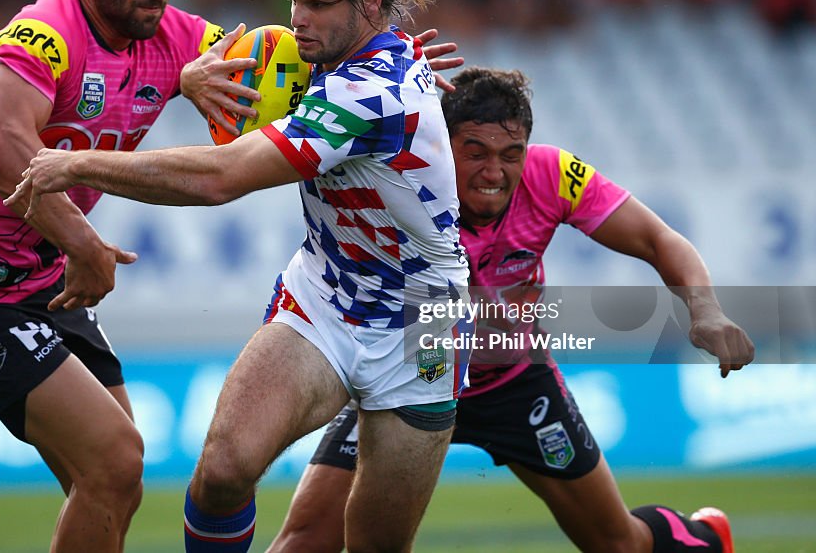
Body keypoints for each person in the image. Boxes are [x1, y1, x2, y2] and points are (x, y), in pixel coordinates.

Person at [7, 0, 473, 553]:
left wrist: (78, 163)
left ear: (370, 1)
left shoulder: (371, 92)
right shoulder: (341, 61)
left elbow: (221, 176)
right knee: (223, 470)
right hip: (326, 300)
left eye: (317, 5)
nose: (297, 22)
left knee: (371, 544)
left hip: (420, 323)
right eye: (293, 0)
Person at [0, 0, 276, 553]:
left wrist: (381, 59)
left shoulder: (175, 37)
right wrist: (83, 244)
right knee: (114, 460)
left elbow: (274, 68)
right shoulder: (41, 33)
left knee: (115, 478)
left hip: (48, 290)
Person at [267, 66, 755, 553]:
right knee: (307, 541)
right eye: (475, 153)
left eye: (509, 155)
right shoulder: (396, 180)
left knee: (619, 545)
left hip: (512, 383)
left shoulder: (553, 175)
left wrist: (705, 310)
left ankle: (705, 539)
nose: (494, 173)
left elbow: (657, 237)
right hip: (404, 380)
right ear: (442, 146)